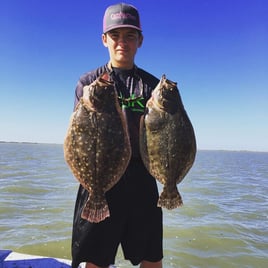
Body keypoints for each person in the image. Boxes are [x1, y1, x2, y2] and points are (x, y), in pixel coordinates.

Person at [71, 3, 163, 268]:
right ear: (104, 40)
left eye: (130, 35)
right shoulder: (88, 84)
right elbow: (80, 138)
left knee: (151, 257)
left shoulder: (152, 86)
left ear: (140, 41)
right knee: (95, 260)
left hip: (142, 179)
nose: (122, 42)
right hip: (99, 178)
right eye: (115, 35)